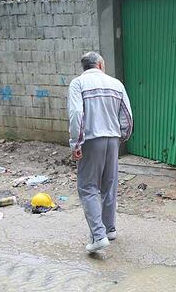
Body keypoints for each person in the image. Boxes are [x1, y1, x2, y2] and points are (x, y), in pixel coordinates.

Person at [68, 52, 133, 253]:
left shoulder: (77, 84)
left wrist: (76, 143)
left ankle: (98, 235)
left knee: (87, 188)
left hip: (91, 139)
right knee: (109, 185)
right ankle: (109, 228)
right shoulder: (116, 84)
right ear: (100, 65)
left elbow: (76, 113)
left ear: (84, 66)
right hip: (112, 139)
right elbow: (127, 115)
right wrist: (121, 136)